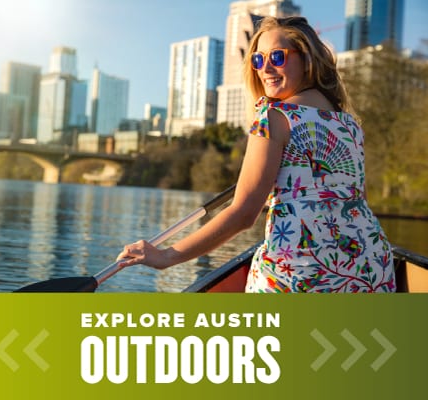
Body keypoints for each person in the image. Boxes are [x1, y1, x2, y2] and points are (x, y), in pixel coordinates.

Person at [116, 16, 396, 293]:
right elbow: (357, 201)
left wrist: (167, 256)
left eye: (277, 56)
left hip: (303, 273)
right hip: (371, 267)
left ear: (308, 58)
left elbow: (244, 214)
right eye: (258, 60)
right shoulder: (349, 124)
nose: (266, 68)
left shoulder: (274, 116)